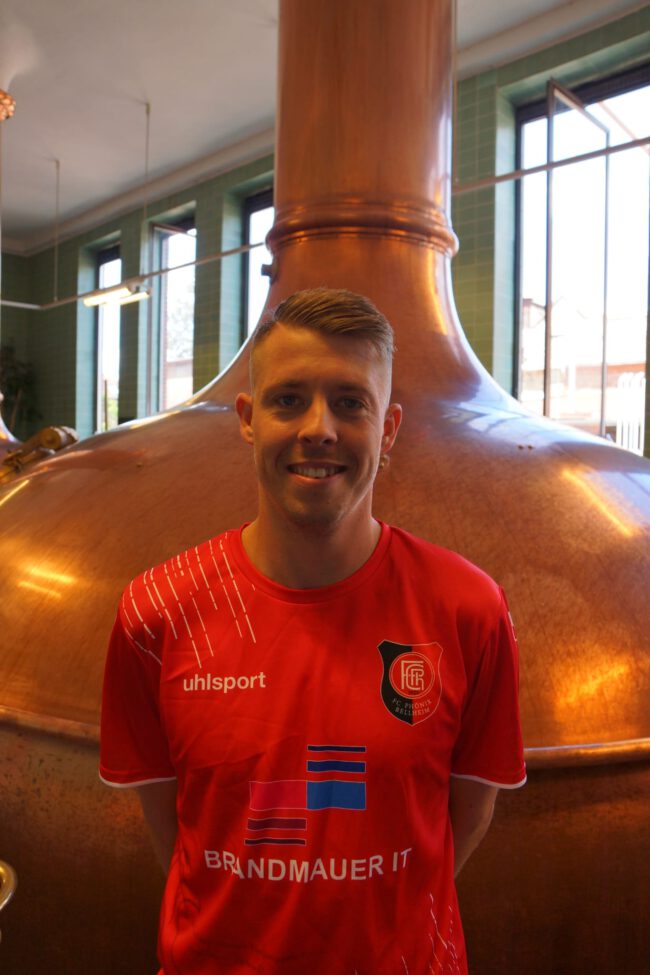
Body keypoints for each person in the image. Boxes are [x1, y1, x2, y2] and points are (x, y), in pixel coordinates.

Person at [100, 287, 526, 975]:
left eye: (350, 402)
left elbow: (466, 817)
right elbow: (173, 828)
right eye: (289, 399)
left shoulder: (468, 609)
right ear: (248, 419)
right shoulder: (158, 613)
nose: (319, 428)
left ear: (388, 428)